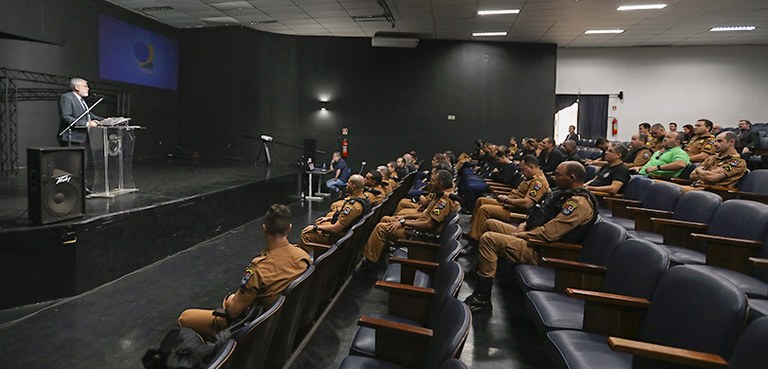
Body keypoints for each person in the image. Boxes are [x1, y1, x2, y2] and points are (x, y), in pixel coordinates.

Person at [464, 161, 598, 313]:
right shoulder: (564, 193)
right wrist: (525, 224)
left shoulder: (579, 203)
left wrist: (523, 234)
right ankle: (481, 268)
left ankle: (482, 297)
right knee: (491, 224)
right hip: (534, 235)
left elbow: (549, 233)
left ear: (572, 177)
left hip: (545, 250)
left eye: (558, 175)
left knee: (490, 238)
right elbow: (541, 213)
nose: (554, 177)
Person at [177, 204, 310, 338]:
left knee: (185, 317)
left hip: (252, 327)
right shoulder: (303, 257)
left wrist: (229, 300)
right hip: (283, 321)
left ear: (264, 229)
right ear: (289, 228)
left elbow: (234, 311)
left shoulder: (260, 269)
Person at [355, 169, 459, 279]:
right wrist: (404, 218)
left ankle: (369, 266)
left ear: (440, 184)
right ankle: (379, 256)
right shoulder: (442, 195)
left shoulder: (444, 201)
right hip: (420, 227)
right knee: (386, 219)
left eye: (433, 181)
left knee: (381, 229)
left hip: (423, 237)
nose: (429, 182)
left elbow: (429, 225)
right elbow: (426, 215)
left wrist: (404, 222)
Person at [466, 155, 549, 243]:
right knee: (481, 200)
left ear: (530, 167)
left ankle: (474, 240)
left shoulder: (539, 182)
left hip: (516, 211)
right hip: (510, 204)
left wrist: (506, 200)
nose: (521, 172)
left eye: (523, 169)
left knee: (484, 209)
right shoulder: (530, 178)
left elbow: (527, 203)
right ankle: (473, 231)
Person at [300, 175, 368, 248]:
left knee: (306, 234)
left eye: (348, 183)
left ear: (353, 187)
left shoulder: (353, 207)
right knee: (321, 221)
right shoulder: (364, 199)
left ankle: (302, 258)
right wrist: (329, 219)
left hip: (340, 238)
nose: (346, 185)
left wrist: (315, 227)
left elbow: (336, 229)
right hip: (348, 234)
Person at [58, 77, 103, 146]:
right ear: (77, 87)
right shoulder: (67, 97)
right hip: (73, 139)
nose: (88, 88)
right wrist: (87, 124)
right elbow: (67, 117)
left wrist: (105, 120)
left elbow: (88, 115)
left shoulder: (81, 100)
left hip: (84, 139)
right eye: (85, 86)